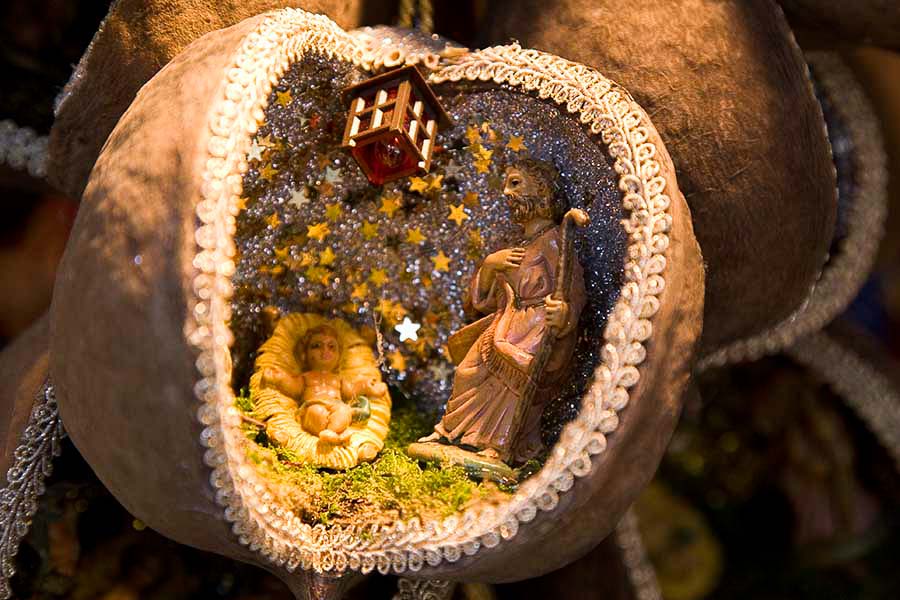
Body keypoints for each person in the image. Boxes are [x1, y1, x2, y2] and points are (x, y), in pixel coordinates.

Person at [420, 160, 586, 464]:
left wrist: (563, 314)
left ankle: (497, 446)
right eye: (506, 184)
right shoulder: (518, 246)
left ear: (540, 191)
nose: (506, 192)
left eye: (515, 184)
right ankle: (450, 431)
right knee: (466, 372)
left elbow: (573, 290)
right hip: (505, 324)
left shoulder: (554, 241)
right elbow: (483, 303)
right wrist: (489, 266)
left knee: (515, 388)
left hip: (534, 330)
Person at [261, 324, 386, 445]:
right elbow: (293, 387)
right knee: (316, 412)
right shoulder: (306, 377)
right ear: (305, 354)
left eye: (331, 347)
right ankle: (333, 434)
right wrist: (279, 378)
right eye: (317, 346)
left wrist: (368, 387)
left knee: (344, 411)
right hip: (312, 404)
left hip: (336, 405)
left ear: (339, 355)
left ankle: (331, 433)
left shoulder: (338, 379)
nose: (325, 351)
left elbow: (351, 390)